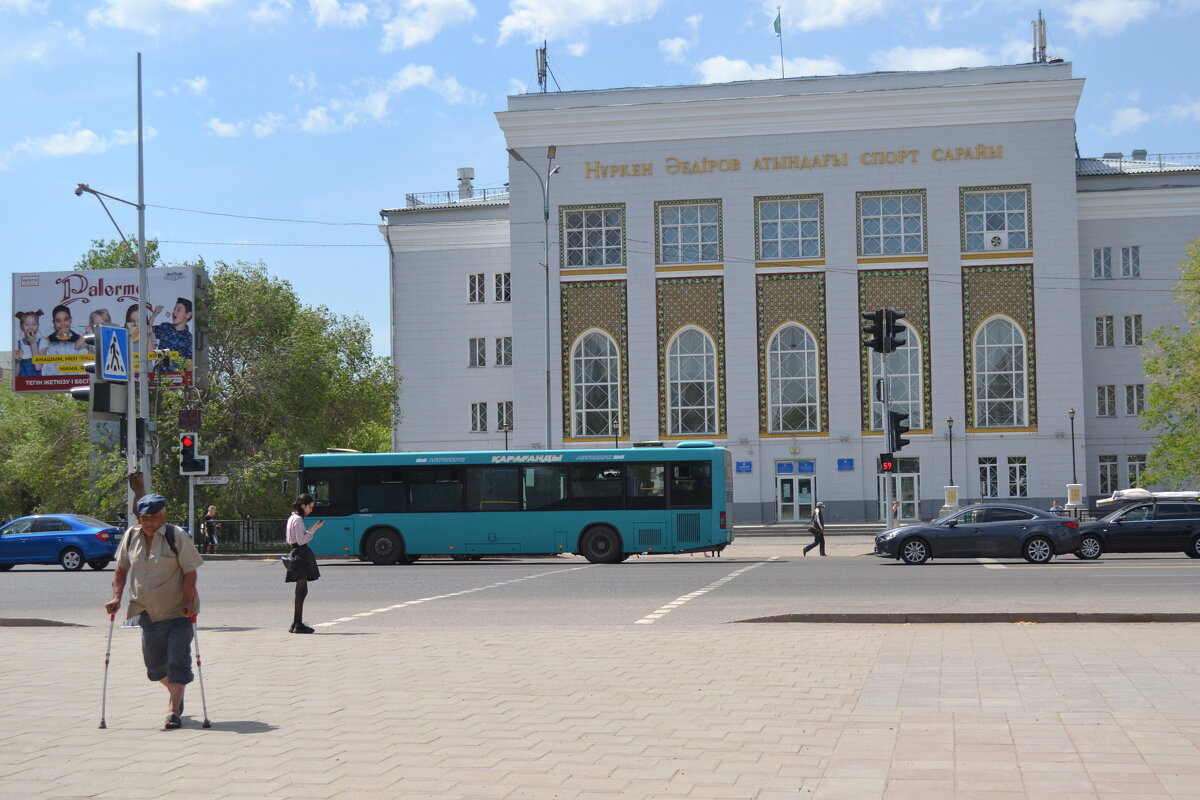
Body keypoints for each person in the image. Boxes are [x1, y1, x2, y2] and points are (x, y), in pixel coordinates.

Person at [104, 494, 204, 730]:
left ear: (164, 515)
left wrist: (188, 600)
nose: (149, 522)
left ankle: (173, 710)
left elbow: (190, 572)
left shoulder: (175, 536)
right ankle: (175, 691)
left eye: (154, 517)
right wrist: (117, 597)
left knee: (178, 660)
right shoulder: (130, 537)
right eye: (144, 518)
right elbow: (121, 570)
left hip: (179, 612)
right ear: (138, 518)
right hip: (148, 612)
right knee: (155, 667)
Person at [285, 493, 324, 634]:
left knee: (301, 590)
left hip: (296, 553)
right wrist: (314, 529)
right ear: (303, 506)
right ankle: (297, 624)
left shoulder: (293, 518)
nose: (311, 510)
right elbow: (301, 540)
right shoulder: (297, 520)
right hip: (300, 554)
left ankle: (296, 623)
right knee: (301, 591)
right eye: (310, 507)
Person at [148, 298, 194, 370]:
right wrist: (154, 314)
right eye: (174, 309)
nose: (174, 312)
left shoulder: (189, 338)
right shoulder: (165, 327)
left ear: (188, 315)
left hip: (176, 378)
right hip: (157, 376)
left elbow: (189, 363)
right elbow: (146, 330)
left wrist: (186, 380)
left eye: (178, 310)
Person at [41, 304, 87, 375]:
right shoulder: (48, 332)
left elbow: (87, 346)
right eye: (58, 321)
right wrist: (50, 338)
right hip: (53, 376)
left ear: (71, 320)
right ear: (53, 322)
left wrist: (78, 337)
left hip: (73, 376)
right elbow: (40, 349)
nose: (63, 324)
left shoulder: (78, 332)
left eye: (66, 320)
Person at [14, 310, 46, 376]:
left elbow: (38, 367)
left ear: (38, 326)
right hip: (22, 384)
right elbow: (16, 375)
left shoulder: (42, 342)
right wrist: (17, 362)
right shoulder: (17, 345)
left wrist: (33, 343)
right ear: (21, 327)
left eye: (34, 324)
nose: (31, 327)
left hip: (36, 384)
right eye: (27, 324)